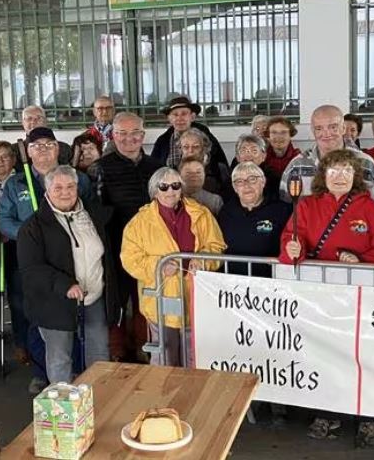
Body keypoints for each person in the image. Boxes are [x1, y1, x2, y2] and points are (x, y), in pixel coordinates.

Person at [278, 149, 374, 445]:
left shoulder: (369, 209)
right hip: (320, 296)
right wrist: (294, 251)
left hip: (360, 296)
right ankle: (326, 413)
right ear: (323, 176)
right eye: (333, 170)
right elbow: (292, 239)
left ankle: (368, 419)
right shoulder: (306, 206)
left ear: (355, 176)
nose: (339, 176)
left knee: (363, 357)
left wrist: (361, 260)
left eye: (346, 170)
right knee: (324, 354)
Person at [0, 126, 97, 393]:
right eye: (36, 146)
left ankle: (75, 371)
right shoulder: (17, 183)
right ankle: (43, 374)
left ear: (57, 148)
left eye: (48, 145)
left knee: (72, 321)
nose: (43, 150)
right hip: (33, 264)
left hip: (71, 263)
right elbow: (2, 219)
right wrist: (31, 237)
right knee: (37, 320)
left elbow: (88, 214)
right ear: (28, 151)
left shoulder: (76, 179)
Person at [18, 165, 118, 383]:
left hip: (94, 296)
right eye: (58, 188)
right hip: (54, 302)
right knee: (60, 357)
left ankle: (100, 398)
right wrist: (65, 285)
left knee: (100, 351)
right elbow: (31, 269)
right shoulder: (32, 227)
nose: (65, 192)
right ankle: (63, 410)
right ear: (47, 192)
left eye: (70, 186)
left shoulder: (94, 214)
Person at [121, 166, 225, 367]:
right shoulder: (139, 222)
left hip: (194, 298)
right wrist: (158, 266)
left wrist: (204, 260)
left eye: (175, 185)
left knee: (195, 358)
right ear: (154, 190)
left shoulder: (201, 214)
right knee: (165, 360)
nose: (170, 191)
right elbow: (130, 259)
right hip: (161, 302)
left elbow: (216, 246)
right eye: (164, 186)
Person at [89, 112, 163, 362]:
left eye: (134, 133)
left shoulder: (157, 167)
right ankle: (117, 349)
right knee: (116, 298)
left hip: (150, 248)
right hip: (114, 243)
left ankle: (145, 345)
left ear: (143, 135)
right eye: (122, 133)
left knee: (146, 296)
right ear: (113, 135)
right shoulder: (100, 167)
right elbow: (95, 210)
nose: (129, 139)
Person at [279, 105, 374, 213]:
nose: (326, 134)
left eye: (333, 127)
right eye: (319, 128)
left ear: (343, 128)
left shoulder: (366, 164)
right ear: (313, 131)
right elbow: (284, 211)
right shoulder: (297, 166)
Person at [0, 142, 27, 364]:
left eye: (6, 156)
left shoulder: (22, 181)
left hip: (18, 246)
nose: (1, 161)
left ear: (13, 159)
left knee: (19, 296)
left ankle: (23, 342)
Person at [218, 162, 290, 278]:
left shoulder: (282, 210)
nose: (246, 185)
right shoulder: (225, 212)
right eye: (239, 181)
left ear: (263, 182)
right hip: (231, 283)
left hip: (270, 282)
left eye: (252, 179)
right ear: (235, 188)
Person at [150, 96, 228, 170]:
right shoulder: (163, 141)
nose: (179, 119)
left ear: (192, 117)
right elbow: (154, 170)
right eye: (175, 115)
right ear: (169, 119)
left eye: (184, 114)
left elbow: (220, 167)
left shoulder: (206, 138)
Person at [178, 129, 230, 196]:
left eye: (196, 147)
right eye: (186, 147)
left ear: (204, 148)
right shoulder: (175, 171)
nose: (190, 151)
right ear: (181, 149)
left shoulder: (219, 169)